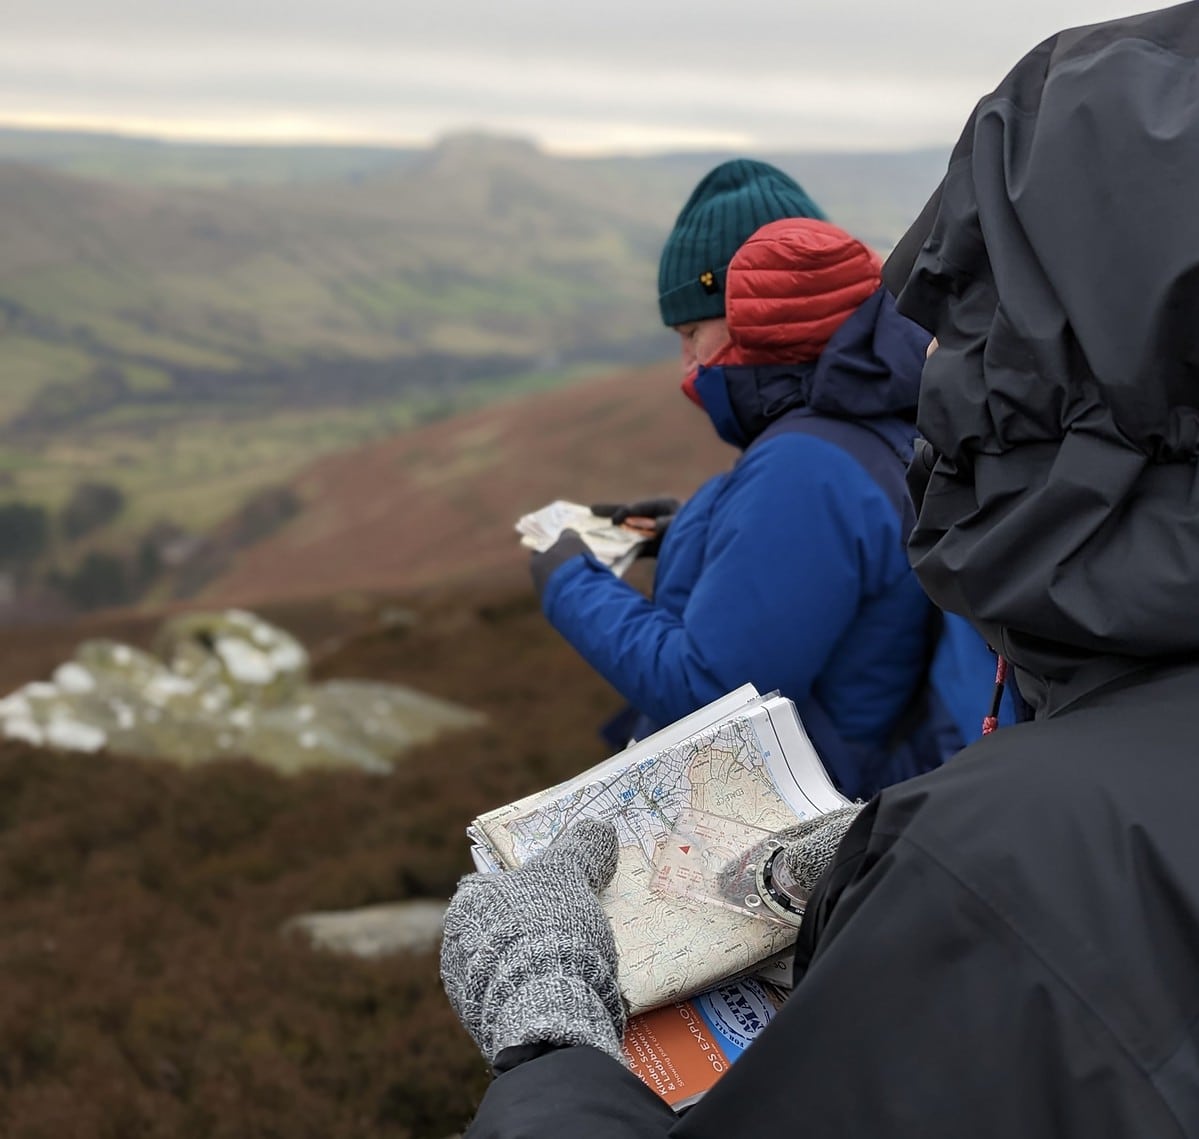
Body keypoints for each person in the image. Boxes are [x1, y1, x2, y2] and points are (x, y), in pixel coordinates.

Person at [443, 5, 1199, 1135]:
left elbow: (712, 672)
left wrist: (546, 1028)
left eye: (969, 309)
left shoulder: (998, 870)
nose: (930, 356)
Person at [531, 158, 946, 800]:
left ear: (754, 308)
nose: (688, 364)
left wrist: (567, 580)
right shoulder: (875, 419)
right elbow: (823, 579)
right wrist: (690, 534)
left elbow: (714, 697)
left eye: (694, 332)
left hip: (783, 811)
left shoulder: (808, 467)